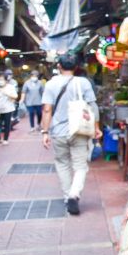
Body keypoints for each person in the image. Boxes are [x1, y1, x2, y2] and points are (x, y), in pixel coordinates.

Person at [41, 54, 101, 215]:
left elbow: (47, 109)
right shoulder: (84, 83)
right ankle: (75, 193)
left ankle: (68, 197)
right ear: (76, 67)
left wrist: (45, 132)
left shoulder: (51, 84)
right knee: (80, 165)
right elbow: (93, 107)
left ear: (59, 66)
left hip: (58, 132)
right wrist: (96, 127)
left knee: (62, 163)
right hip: (80, 130)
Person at [0, 75, 17, 144]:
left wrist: (6, 93)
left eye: (2, 79)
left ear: (6, 80)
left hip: (8, 109)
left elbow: (15, 96)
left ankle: (6, 139)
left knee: (7, 124)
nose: (0, 81)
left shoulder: (10, 87)